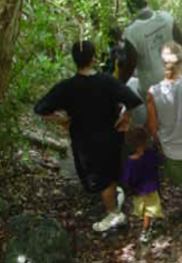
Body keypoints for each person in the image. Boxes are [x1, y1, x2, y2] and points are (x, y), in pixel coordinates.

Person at [34, 40, 142, 232]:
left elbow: (40, 108)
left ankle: (113, 215)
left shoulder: (66, 87)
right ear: (93, 59)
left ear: (75, 60)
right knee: (109, 176)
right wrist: (126, 117)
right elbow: (133, 100)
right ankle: (114, 201)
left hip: (85, 144)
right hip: (111, 138)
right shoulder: (107, 81)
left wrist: (61, 119)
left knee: (101, 181)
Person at [146, 41, 182, 221]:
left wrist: (158, 142)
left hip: (171, 150)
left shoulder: (153, 92)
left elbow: (153, 127)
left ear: (162, 64)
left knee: (176, 180)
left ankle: (179, 204)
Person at [118, 0, 182, 99]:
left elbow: (130, 64)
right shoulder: (165, 17)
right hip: (173, 77)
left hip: (151, 88)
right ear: (146, 2)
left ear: (130, 10)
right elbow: (181, 41)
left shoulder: (131, 32)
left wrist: (118, 85)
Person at [122, 126, 164, 243]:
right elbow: (160, 161)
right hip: (152, 188)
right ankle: (148, 227)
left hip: (138, 191)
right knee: (149, 210)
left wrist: (128, 187)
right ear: (146, 141)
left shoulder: (129, 162)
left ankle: (145, 230)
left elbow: (126, 179)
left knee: (144, 211)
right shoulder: (151, 155)